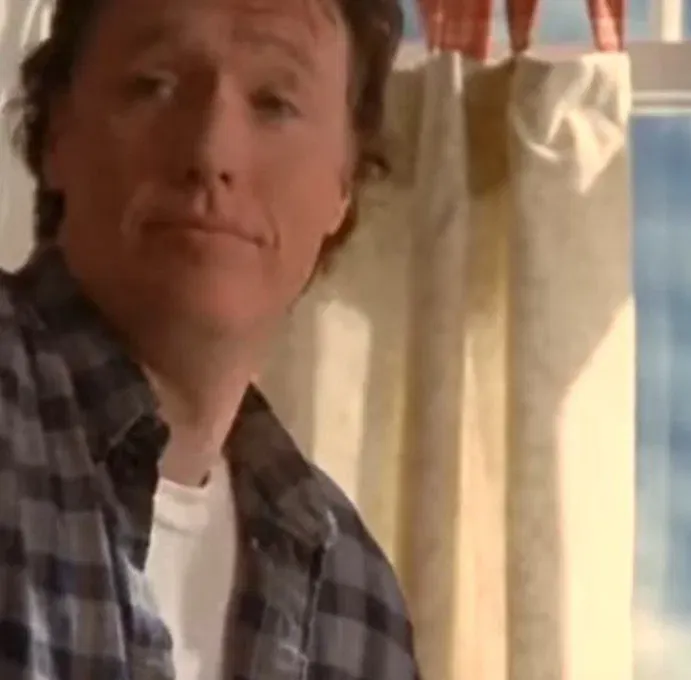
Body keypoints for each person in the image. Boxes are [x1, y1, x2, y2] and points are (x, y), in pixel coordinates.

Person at [0, 0, 420, 678]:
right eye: (153, 85)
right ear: (57, 136)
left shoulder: (354, 596)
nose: (210, 153)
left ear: (343, 182)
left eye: (274, 104)